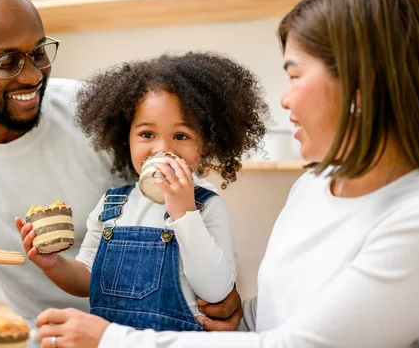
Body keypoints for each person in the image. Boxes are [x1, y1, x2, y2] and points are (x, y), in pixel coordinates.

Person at [33, 0, 419, 348]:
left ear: (361, 86)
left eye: (294, 74)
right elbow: (288, 316)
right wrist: (238, 316)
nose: (284, 98)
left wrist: (112, 339)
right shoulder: (314, 187)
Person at [0, 0, 242, 341]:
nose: (34, 75)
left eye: (38, 52)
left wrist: (220, 294)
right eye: (7, 61)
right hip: (52, 338)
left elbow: (184, 189)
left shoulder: (90, 111)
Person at [17, 52, 269, 333]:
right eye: (147, 134)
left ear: (206, 144)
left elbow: (216, 291)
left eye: (181, 136)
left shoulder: (207, 206)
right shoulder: (112, 205)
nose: (162, 149)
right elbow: (88, 278)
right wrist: (52, 265)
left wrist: (185, 213)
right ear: (126, 138)